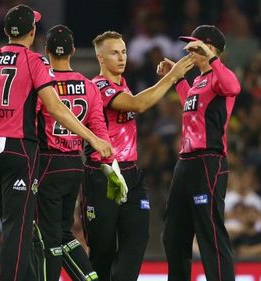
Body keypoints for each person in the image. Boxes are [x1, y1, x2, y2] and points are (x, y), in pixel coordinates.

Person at [0, 5, 113, 281]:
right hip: (20, 149)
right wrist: (92, 138)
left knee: (16, 224)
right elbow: (55, 107)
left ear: (6, 31)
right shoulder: (34, 61)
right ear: (32, 33)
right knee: (18, 228)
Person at [82, 31, 194, 281]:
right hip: (103, 174)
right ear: (100, 57)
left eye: (123, 51)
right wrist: (173, 77)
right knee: (103, 252)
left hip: (131, 173)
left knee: (138, 239)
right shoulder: (97, 86)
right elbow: (138, 105)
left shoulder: (122, 84)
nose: (121, 57)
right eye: (114, 53)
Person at [158, 25, 241, 281]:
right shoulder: (199, 80)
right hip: (186, 162)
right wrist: (178, 78)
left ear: (211, 49)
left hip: (209, 160)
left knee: (210, 232)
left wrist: (213, 58)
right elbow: (191, 105)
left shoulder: (220, 76)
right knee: (173, 234)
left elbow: (233, 87)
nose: (189, 51)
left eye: (195, 47)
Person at [36, 25, 109, 281]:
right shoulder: (89, 86)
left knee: (49, 236)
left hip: (47, 162)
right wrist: (104, 161)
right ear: (73, 51)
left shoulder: (41, 84)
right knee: (65, 233)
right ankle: (90, 277)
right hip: (74, 164)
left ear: (46, 51)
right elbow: (99, 127)